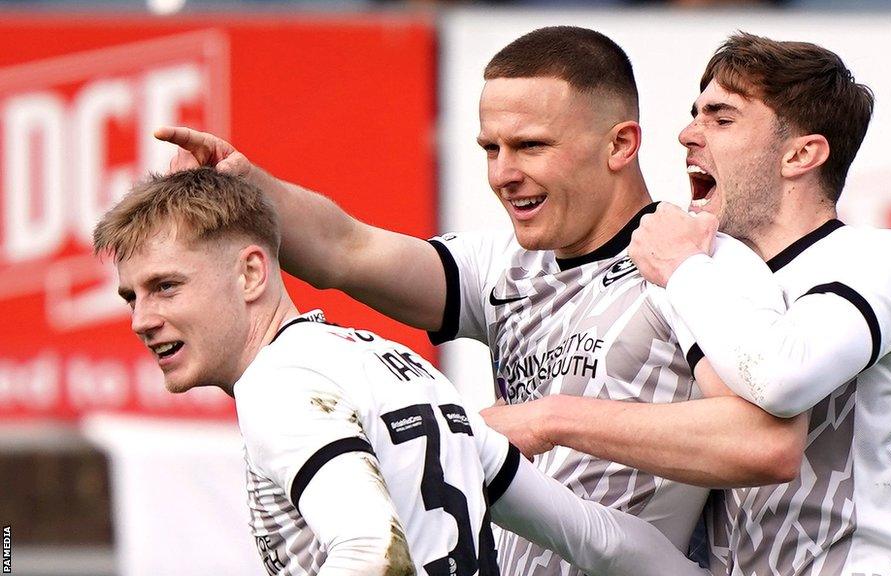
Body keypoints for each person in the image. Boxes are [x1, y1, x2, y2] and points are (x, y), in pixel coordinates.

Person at [154, 26, 804, 575]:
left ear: (620, 145)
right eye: (491, 149)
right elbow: (344, 250)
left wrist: (551, 418)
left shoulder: (698, 265)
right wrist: (245, 186)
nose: (502, 173)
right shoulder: (501, 265)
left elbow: (764, 445)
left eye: (530, 146)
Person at [91, 168, 708, 576]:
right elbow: (599, 538)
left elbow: (371, 549)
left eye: (166, 287)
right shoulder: (395, 363)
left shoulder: (278, 385)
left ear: (252, 273)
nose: (143, 318)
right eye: (131, 297)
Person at [485, 33, 891, 575]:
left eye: (721, 119)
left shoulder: (876, 258)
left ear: (801, 154)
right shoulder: (709, 277)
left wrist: (552, 418)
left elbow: (781, 377)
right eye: (693, 115)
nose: (686, 135)